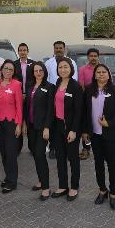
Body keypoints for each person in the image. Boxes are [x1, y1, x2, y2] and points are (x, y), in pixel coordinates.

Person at [83, 63, 115, 211]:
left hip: (110, 134)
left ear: (108, 74)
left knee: (112, 164)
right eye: (98, 72)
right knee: (98, 163)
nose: (101, 74)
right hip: (94, 134)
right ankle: (102, 190)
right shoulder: (89, 90)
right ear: (94, 75)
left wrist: (109, 123)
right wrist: (85, 131)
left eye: (104, 72)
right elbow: (84, 112)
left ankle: (113, 193)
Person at [50, 57, 84, 201]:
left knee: (73, 158)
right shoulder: (58, 82)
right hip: (58, 126)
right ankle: (63, 186)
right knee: (60, 157)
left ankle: (74, 187)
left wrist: (74, 130)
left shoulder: (75, 86)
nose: (63, 70)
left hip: (70, 127)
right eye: (60, 67)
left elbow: (79, 111)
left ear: (71, 69)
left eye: (65, 67)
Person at [0, 60, 23, 193]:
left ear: (14, 72)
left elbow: (19, 106)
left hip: (12, 123)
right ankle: (8, 176)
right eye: (6, 68)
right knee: (4, 152)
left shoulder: (17, 84)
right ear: (1, 69)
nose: (8, 71)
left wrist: (19, 124)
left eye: (11, 69)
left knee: (11, 153)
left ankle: (12, 182)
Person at [26, 61, 54, 200]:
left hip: (42, 127)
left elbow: (50, 109)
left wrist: (47, 127)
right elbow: (27, 106)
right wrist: (25, 124)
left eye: (40, 70)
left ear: (44, 72)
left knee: (40, 155)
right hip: (31, 126)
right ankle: (41, 180)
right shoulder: (30, 86)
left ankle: (46, 187)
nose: (38, 73)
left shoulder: (49, 87)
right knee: (35, 153)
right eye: (35, 71)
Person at [77, 48, 100, 160]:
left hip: (101, 99)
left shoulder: (103, 69)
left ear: (98, 57)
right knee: (86, 124)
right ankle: (86, 148)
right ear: (88, 57)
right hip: (87, 100)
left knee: (99, 123)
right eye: (91, 56)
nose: (93, 58)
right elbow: (81, 86)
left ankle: (99, 147)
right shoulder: (82, 69)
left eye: (95, 56)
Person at [13, 43, 35, 154]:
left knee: (30, 120)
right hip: (18, 96)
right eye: (20, 50)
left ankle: (32, 147)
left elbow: (36, 79)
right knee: (19, 120)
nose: (22, 52)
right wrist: (19, 93)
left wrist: (28, 93)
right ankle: (17, 147)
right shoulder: (14, 64)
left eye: (24, 50)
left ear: (27, 51)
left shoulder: (33, 64)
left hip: (31, 95)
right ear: (18, 52)